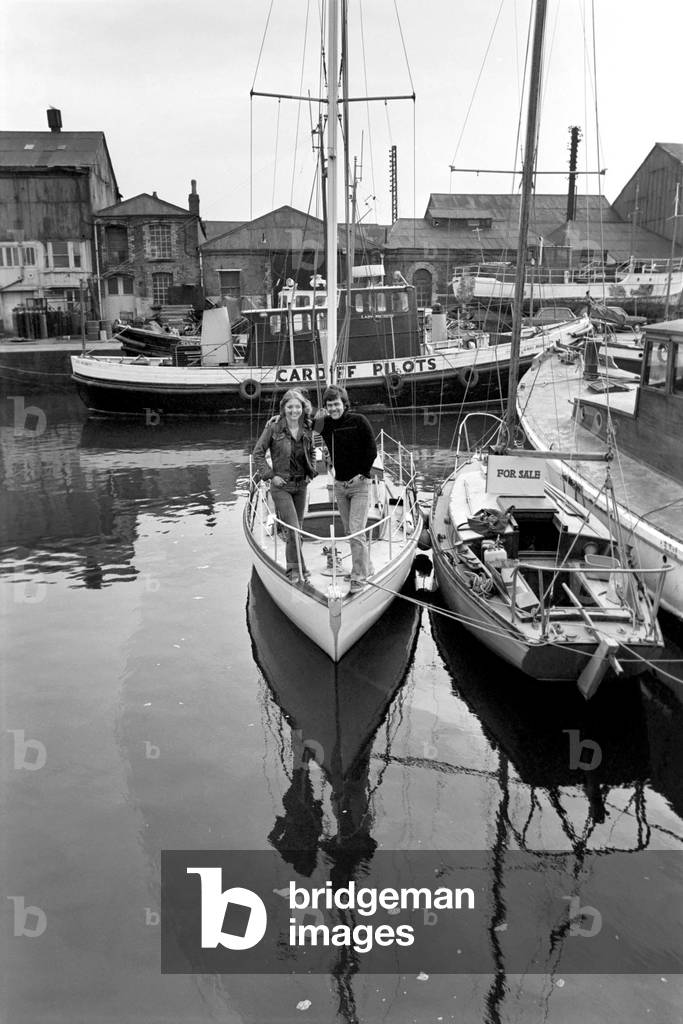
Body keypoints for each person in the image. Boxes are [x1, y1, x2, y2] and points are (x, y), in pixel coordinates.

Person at [315, 385, 377, 593]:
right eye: (329, 405)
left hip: (359, 485)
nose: (333, 408)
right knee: (351, 531)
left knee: (356, 532)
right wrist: (276, 421)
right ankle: (367, 567)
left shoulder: (359, 421)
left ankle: (359, 577)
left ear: (344, 403)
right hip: (340, 486)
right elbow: (302, 424)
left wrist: (362, 473)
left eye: (336, 404)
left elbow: (372, 450)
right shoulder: (325, 426)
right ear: (325, 407)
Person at [252, 389, 317, 583]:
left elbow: (312, 451)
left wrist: (311, 472)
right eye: (290, 407)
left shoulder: (307, 426)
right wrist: (271, 476)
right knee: (294, 529)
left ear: (303, 408)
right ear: (284, 408)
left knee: (298, 530)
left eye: (297, 406)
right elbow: (258, 453)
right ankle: (295, 571)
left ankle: (298, 569)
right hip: (282, 487)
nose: (294, 410)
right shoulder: (273, 428)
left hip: (301, 485)